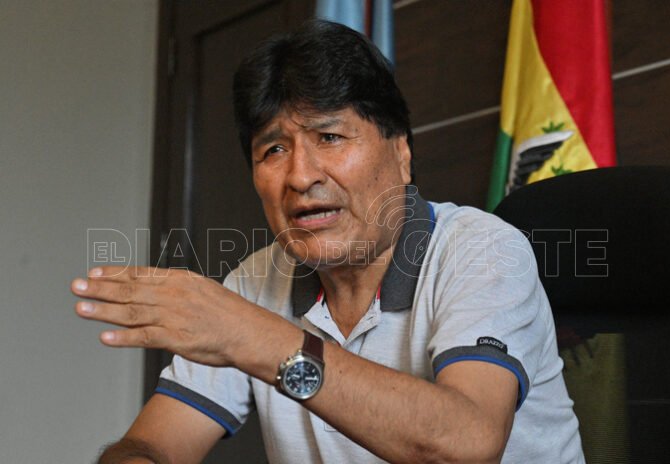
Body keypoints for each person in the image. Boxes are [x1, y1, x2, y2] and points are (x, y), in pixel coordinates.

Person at [73, 20, 583, 464]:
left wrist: (255, 337)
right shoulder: (254, 282)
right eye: (274, 149)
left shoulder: (483, 251)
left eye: (330, 138)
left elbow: (468, 443)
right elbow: (154, 443)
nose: (301, 176)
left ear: (402, 154)